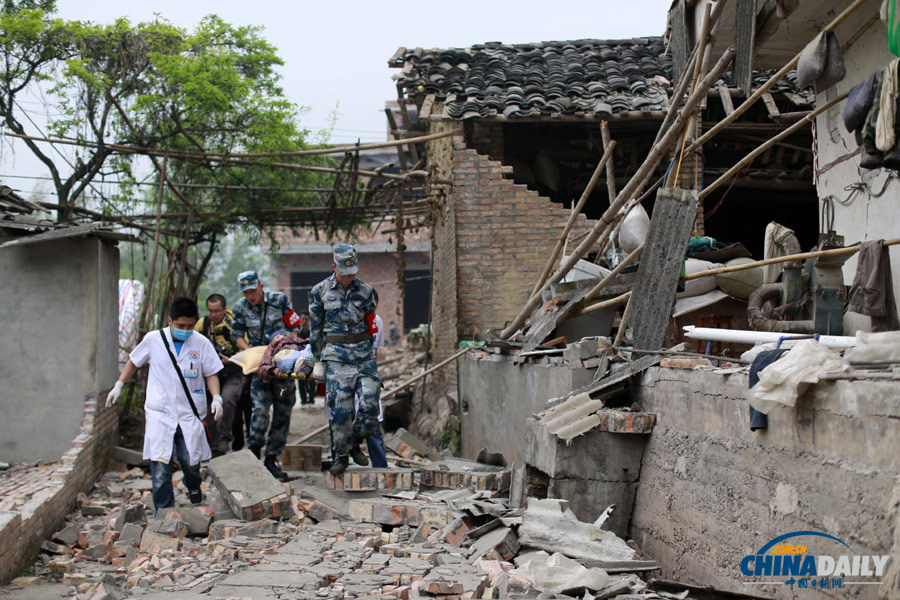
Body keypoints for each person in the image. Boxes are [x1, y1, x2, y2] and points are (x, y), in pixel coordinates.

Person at [106, 297, 224, 513]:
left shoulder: (201, 343)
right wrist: (119, 384)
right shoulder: (153, 339)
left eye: (190, 326)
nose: (185, 330)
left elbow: (211, 373)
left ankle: (193, 485)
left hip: (189, 414)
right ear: (170, 320)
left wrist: (216, 397)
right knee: (160, 467)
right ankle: (165, 512)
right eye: (180, 326)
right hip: (160, 413)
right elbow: (134, 361)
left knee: (191, 462)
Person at [309, 244, 381, 475]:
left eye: (352, 271)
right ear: (334, 267)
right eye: (344, 272)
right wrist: (318, 360)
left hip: (362, 354)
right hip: (336, 355)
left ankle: (352, 442)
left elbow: (370, 324)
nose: (349, 276)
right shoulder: (319, 291)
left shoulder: (367, 292)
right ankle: (340, 456)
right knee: (341, 410)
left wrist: (371, 352)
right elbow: (315, 329)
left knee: (371, 404)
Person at [231, 270, 301, 478]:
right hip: (260, 372)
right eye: (246, 293)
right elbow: (237, 335)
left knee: (282, 412)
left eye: (253, 290)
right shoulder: (240, 308)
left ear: (260, 286)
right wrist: (254, 353)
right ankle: (254, 455)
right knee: (260, 413)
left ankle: (272, 459)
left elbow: (295, 327)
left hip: (282, 374)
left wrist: (287, 351)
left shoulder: (280, 301)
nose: (250, 296)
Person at [194, 293, 243, 455]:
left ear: (224, 309)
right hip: (210, 372)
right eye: (210, 311)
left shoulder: (234, 324)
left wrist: (230, 359)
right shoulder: (203, 325)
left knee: (227, 398)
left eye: (216, 311)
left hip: (233, 370)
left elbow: (246, 350)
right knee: (208, 406)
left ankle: (224, 437)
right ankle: (212, 445)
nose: (213, 315)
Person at [361, 290, 387, 468]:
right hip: (346, 377)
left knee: (373, 424)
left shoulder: (377, 321)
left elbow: (375, 351)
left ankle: (380, 466)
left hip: (368, 377)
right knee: (341, 424)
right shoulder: (347, 320)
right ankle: (340, 465)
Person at [296, 310, 317, 405]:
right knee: (301, 380)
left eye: (306, 320)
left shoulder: (313, 332)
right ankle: (303, 400)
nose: (304, 321)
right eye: (303, 319)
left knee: (312, 380)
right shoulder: (296, 332)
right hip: (299, 359)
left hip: (311, 359)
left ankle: (312, 399)